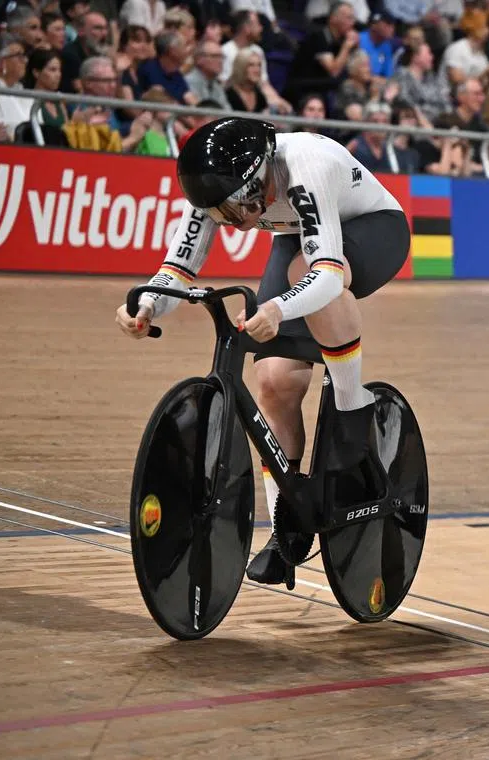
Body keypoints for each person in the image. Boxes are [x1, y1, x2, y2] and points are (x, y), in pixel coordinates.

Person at [114, 117, 411, 584]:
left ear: (257, 176)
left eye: (236, 210)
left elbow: (328, 273)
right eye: (222, 215)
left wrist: (276, 310)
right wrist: (149, 303)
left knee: (302, 275)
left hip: (372, 228)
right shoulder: (216, 191)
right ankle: (284, 527)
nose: (233, 223)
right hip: (299, 240)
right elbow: (179, 269)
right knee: (273, 382)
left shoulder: (307, 163)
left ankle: (354, 412)